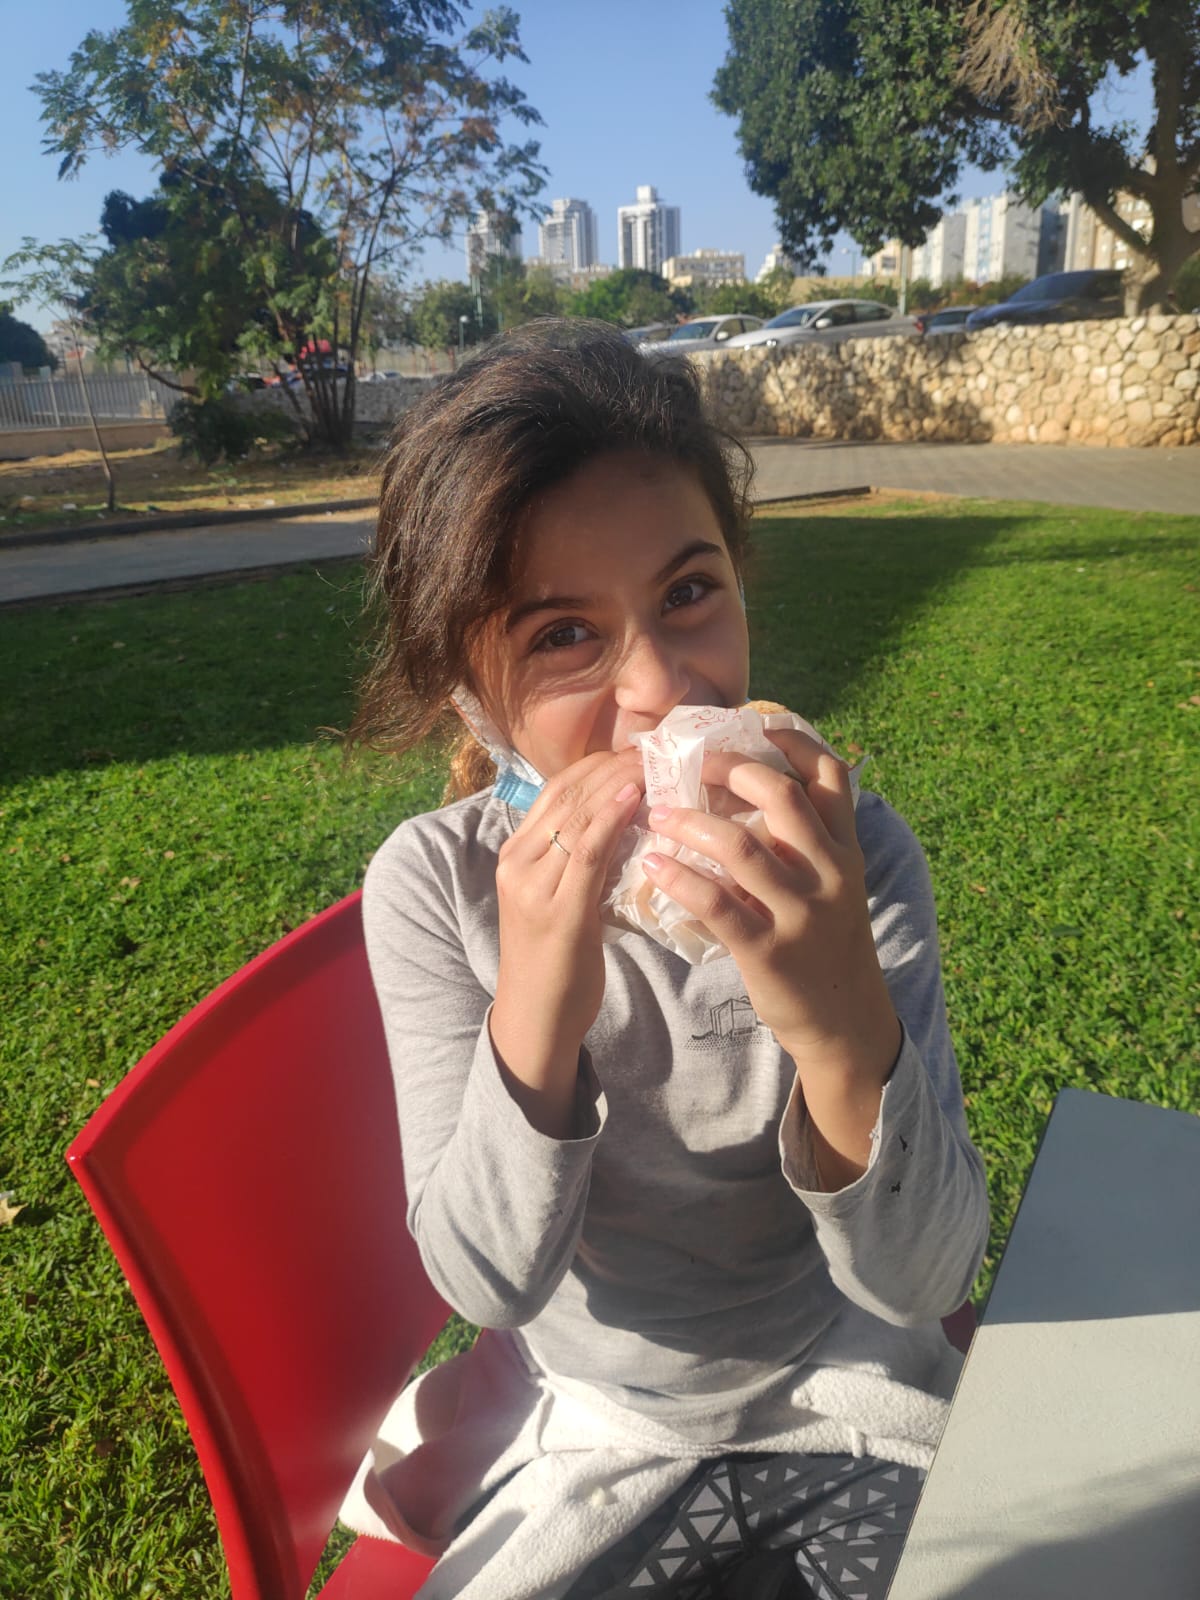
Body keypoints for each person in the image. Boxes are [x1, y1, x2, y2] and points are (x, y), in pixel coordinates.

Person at [342, 319, 988, 1599]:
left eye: (689, 593)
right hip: (600, 1426)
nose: (661, 688)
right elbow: (488, 1282)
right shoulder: (434, 890)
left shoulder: (848, 854)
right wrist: (540, 999)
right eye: (561, 636)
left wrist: (837, 1026)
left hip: (849, 1382)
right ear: (469, 689)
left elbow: (925, 1275)